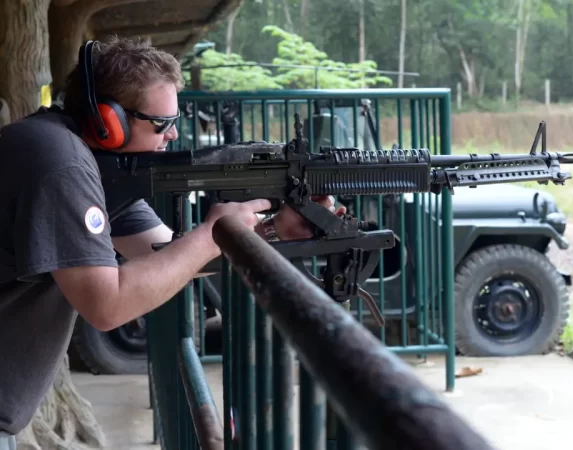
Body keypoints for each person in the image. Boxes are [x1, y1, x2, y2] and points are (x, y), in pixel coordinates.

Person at [0, 36, 345, 446]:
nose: (173, 135)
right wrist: (210, 232)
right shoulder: (63, 165)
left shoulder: (83, 160)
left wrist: (271, 232)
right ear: (108, 121)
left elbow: (167, 255)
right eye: (161, 123)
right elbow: (107, 306)